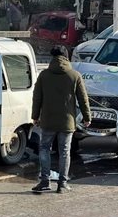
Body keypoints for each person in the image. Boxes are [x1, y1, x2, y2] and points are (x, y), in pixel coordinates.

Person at [31, 45, 91, 193]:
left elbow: (37, 97)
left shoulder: (44, 75)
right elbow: (83, 99)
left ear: (52, 57)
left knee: (45, 148)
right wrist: (87, 117)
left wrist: (35, 116)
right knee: (64, 151)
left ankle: (45, 181)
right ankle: (62, 184)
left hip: (48, 120)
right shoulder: (74, 75)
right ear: (66, 56)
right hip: (67, 121)